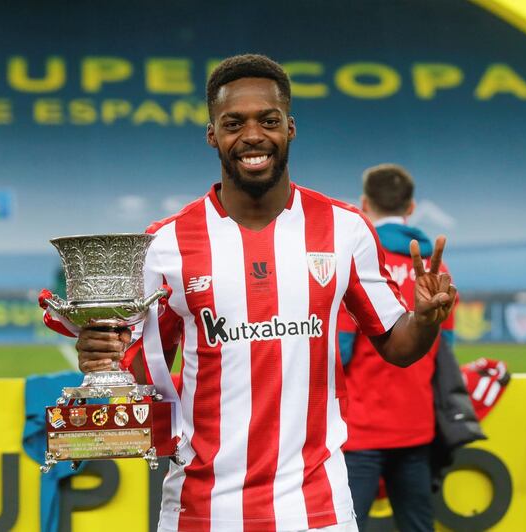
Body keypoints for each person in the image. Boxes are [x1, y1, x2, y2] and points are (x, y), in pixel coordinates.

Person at [72, 55, 456, 532]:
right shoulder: (166, 245)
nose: (253, 135)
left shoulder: (343, 230)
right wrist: (101, 355)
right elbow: (137, 366)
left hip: (317, 509)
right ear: (212, 134)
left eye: (268, 120)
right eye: (234, 123)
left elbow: (397, 346)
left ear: (290, 128)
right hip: (201, 509)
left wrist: (423, 320)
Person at [337, 164, 456, 531]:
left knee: (344, 524)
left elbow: (339, 352)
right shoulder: (436, 271)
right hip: (416, 426)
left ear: (363, 203)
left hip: (359, 430)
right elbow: (443, 352)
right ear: (411, 207)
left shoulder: (357, 262)